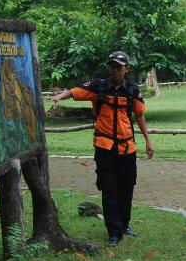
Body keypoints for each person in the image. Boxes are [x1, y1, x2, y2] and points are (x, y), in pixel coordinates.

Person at [50, 51, 154, 247]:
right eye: (112, 66)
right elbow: (75, 91)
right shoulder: (99, 87)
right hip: (104, 149)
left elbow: (139, 116)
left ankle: (124, 225)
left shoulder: (132, 90)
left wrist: (148, 141)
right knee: (109, 190)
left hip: (127, 149)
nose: (115, 70)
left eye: (119, 67)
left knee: (126, 189)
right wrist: (60, 96)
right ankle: (114, 233)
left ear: (126, 68)